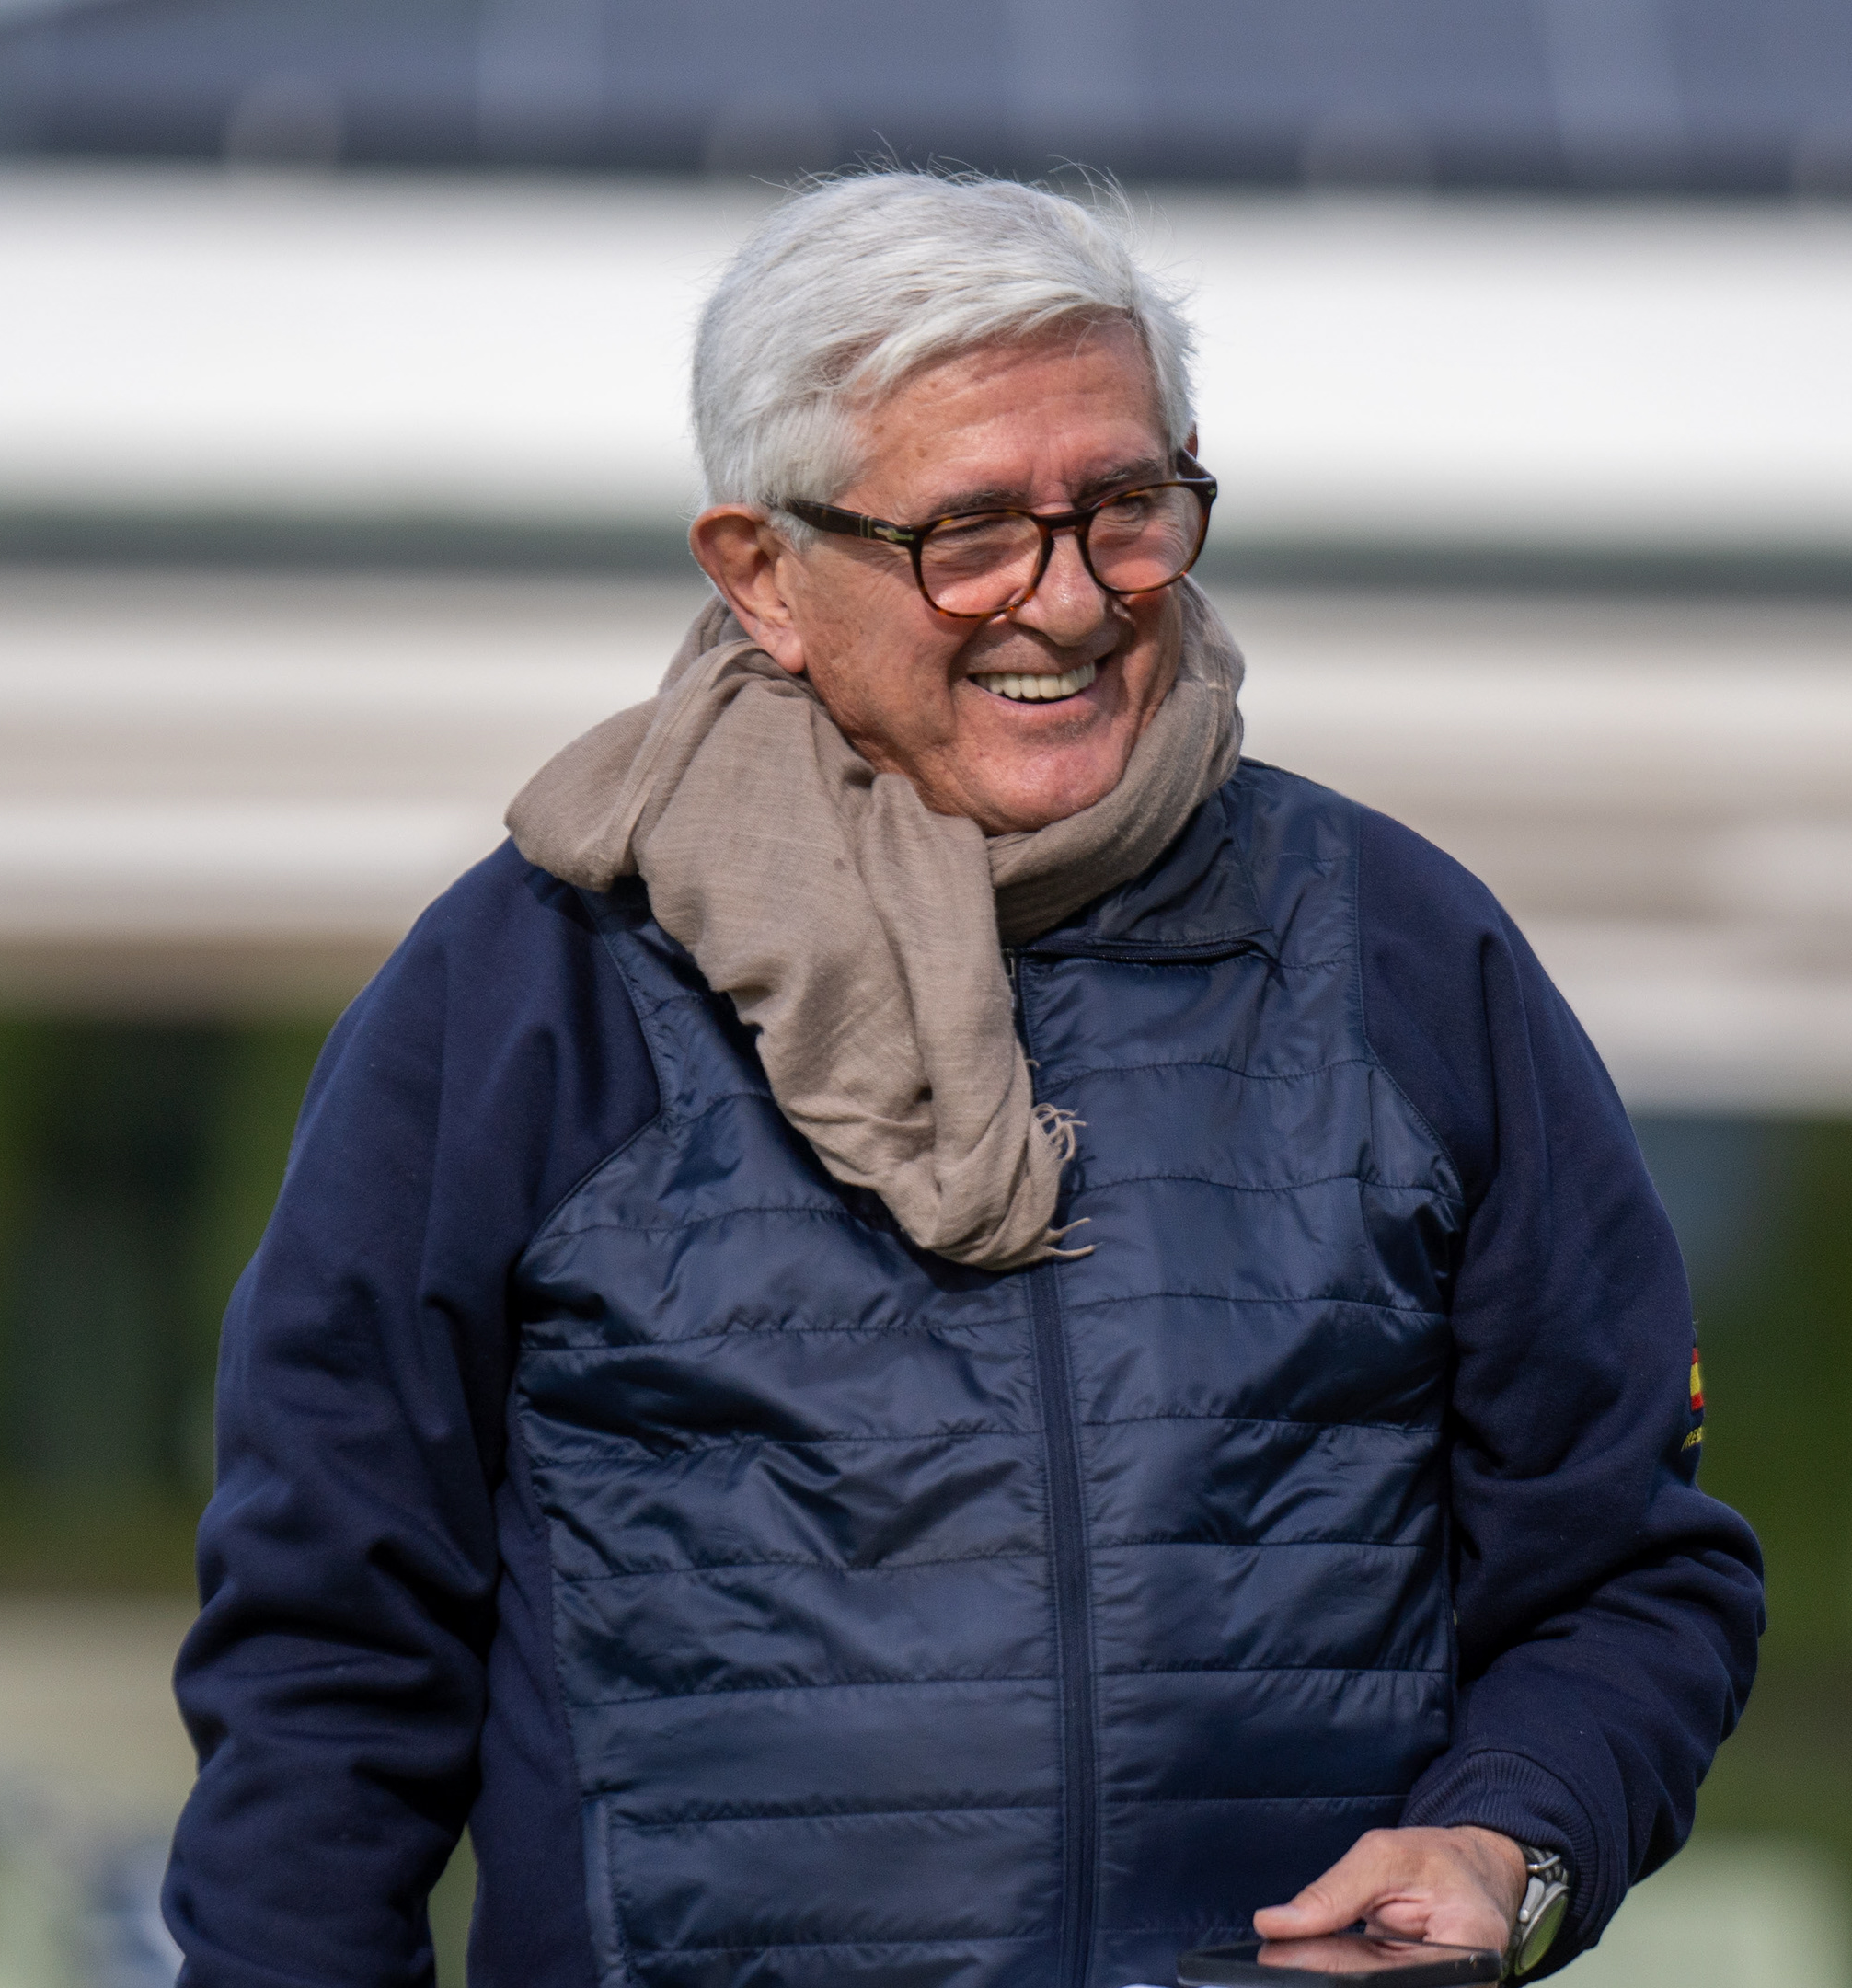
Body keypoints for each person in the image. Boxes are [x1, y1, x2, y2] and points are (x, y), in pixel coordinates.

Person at [163, 170, 1763, 1988]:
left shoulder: (1405, 957)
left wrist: (1510, 1838)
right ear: (763, 574)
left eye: (1126, 510)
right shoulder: (527, 993)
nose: (1066, 601)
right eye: (973, 532)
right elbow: (325, 1669)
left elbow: (1630, 1573)